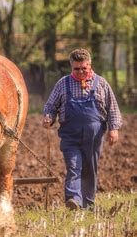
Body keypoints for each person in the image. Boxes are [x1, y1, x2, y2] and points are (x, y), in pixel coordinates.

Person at [43, 48, 122, 210]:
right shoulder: (63, 84)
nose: (80, 71)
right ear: (71, 67)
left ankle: (88, 204)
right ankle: (73, 199)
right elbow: (51, 105)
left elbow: (112, 108)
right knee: (74, 166)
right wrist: (48, 117)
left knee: (89, 169)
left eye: (83, 68)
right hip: (70, 136)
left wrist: (114, 129)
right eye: (76, 68)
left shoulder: (101, 83)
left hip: (94, 137)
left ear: (89, 65)